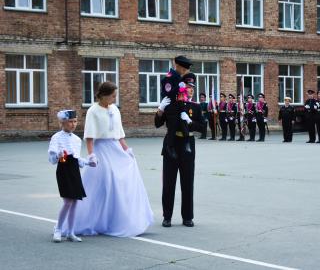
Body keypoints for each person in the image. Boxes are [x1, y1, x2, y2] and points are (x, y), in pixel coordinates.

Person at [63, 82, 154, 237]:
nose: (115, 98)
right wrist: (91, 155)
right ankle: (85, 221)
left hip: (116, 149)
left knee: (120, 183)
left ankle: (117, 220)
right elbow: (90, 136)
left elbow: (119, 134)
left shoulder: (115, 110)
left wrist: (127, 150)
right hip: (101, 149)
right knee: (106, 182)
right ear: (104, 95)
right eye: (113, 95)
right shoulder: (93, 111)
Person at [155, 80, 204, 227]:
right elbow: (157, 123)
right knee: (169, 183)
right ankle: (167, 216)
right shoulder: (170, 105)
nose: (191, 91)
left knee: (187, 182)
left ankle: (187, 217)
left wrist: (189, 122)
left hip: (187, 145)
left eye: (192, 89)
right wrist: (160, 109)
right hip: (171, 144)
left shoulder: (195, 107)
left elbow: (202, 127)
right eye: (188, 88)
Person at [48, 110, 94, 243]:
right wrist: (58, 155)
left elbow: (77, 159)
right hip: (63, 169)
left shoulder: (77, 140)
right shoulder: (56, 137)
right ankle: (58, 229)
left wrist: (88, 162)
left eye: (75, 121)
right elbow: (52, 159)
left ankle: (70, 232)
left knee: (74, 202)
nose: (73, 124)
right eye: (70, 122)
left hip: (74, 171)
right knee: (68, 201)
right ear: (63, 122)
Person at [160, 56, 193, 159]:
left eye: (185, 70)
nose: (184, 72)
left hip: (179, 105)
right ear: (177, 66)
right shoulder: (169, 77)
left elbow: (182, 94)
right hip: (170, 107)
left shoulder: (179, 76)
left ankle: (187, 141)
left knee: (184, 122)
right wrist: (179, 87)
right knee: (173, 126)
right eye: (183, 69)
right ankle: (169, 147)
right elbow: (168, 93)